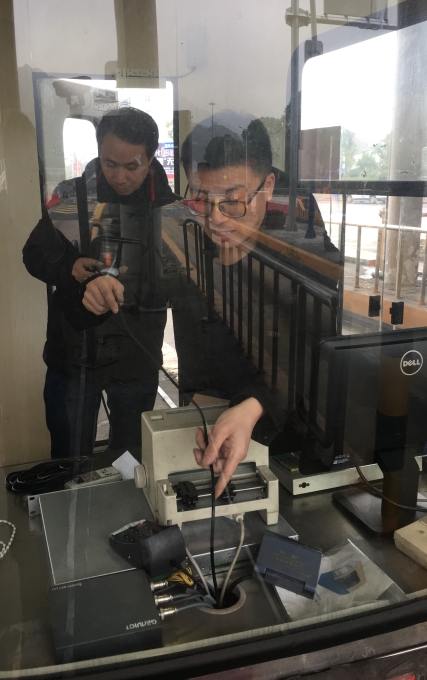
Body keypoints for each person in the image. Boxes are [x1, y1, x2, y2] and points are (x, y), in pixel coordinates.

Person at [79, 118, 285, 496]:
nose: (216, 218)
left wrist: (256, 405)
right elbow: (141, 278)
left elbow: (312, 350)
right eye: (202, 199)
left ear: (268, 186)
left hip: (281, 430)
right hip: (205, 406)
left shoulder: (297, 242)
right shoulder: (181, 227)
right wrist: (103, 283)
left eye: (233, 201)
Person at [23, 107, 177, 458]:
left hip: (137, 353)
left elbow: (181, 279)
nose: (120, 177)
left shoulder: (169, 207)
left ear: (151, 157)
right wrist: (71, 266)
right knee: (68, 457)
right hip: (72, 353)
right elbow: (33, 255)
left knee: (130, 458)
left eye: (132, 166)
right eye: (110, 163)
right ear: (98, 152)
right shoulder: (71, 196)